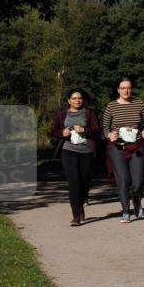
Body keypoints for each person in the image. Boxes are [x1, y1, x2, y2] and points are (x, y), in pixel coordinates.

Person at [101, 77, 144, 223]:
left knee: (138, 180)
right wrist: (109, 135)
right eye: (123, 88)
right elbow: (105, 128)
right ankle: (125, 210)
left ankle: (137, 202)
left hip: (137, 146)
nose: (126, 90)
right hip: (117, 147)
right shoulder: (111, 106)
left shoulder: (139, 103)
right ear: (118, 90)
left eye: (128, 87)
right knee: (123, 179)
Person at [51, 88, 101, 226]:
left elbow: (97, 130)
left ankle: (81, 203)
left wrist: (84, 130)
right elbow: (53, 131)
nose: (77, 100)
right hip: (68, 151)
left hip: (86, 152)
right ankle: (76, 215)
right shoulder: (62, 114)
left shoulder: (89, 113)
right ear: (69, 100)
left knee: (84, 183)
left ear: (83, 100)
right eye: (74, 98)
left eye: (79, 98)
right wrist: (62, 133)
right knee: (74, 183)